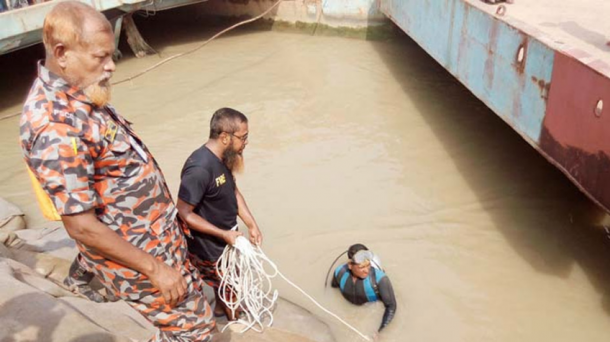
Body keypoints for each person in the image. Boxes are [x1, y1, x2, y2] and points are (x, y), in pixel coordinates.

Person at [19, 2, 214, 340]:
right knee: (196, 333)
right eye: (100, 57)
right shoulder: (55, 126)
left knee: (196, 315)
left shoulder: (81, 92)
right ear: (62, 53)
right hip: (141, 263)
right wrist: (155, 269)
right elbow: (81, 226)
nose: (111, 66)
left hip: (160, 244)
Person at [176, 107, 262, 320]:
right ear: (225, 137)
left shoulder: (224, 157)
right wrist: (223, 234)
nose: (246, 142)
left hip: (226, 236)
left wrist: (251, 224)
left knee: (224, 282)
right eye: (243, 137)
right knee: (230, 284)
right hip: (210, 244)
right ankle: (236, 322)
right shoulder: (199, 169)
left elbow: (232, 190)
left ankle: (221, 309)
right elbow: (184, 213)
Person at [332, 247, 397, 332]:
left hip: (370, 313)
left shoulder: (380, 280)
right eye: (361, 267)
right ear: (350, 266)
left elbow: (391, 307)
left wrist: (380, 331)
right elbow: (333, 292)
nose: (366, 270)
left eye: (368, 265)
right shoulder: (339, 272)